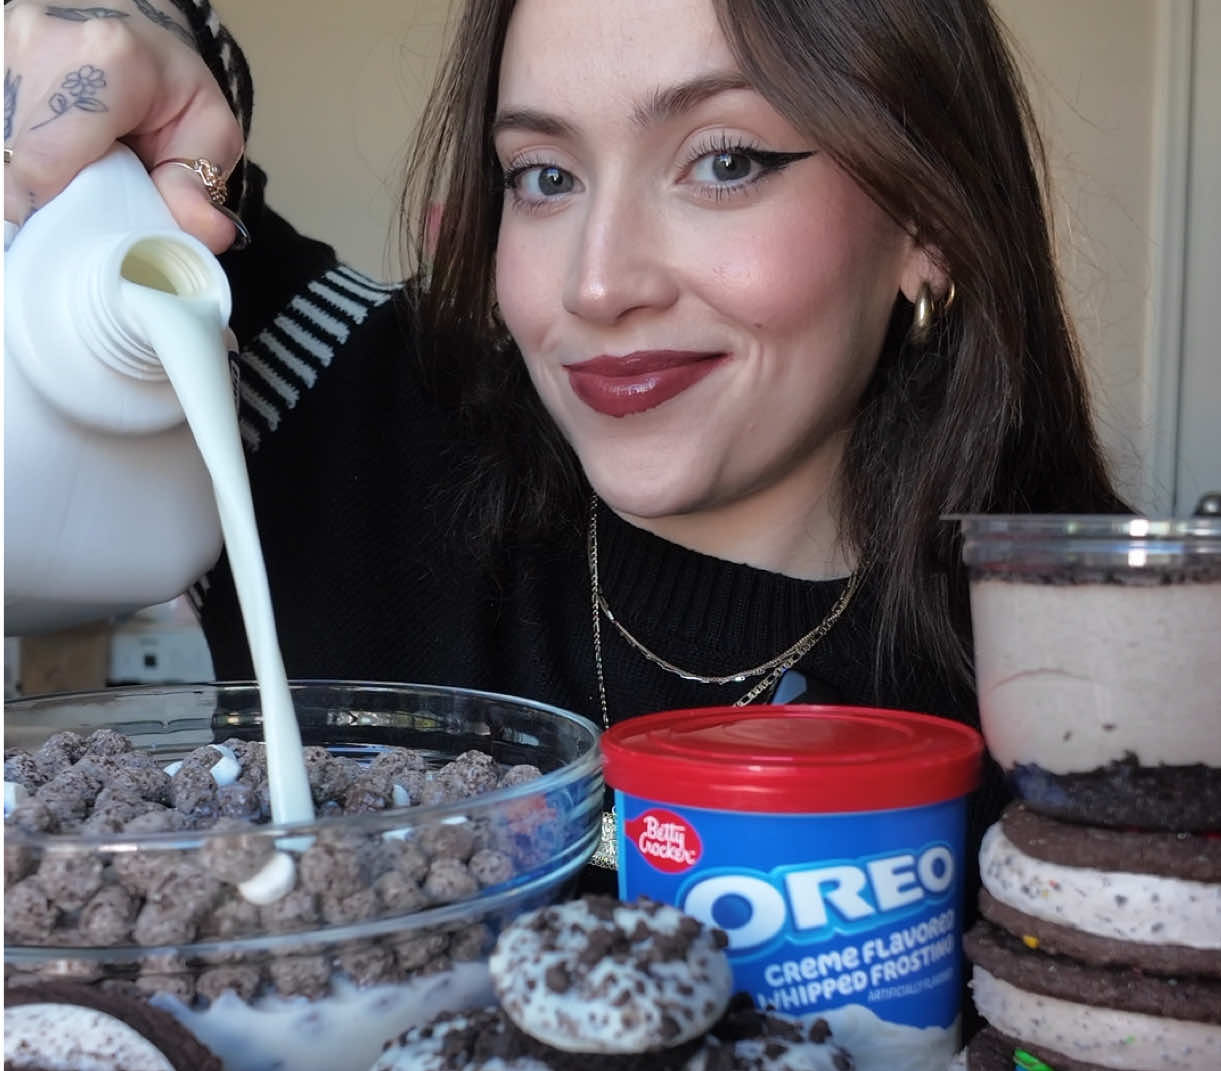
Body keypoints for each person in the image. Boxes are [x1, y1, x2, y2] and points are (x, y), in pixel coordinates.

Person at [3, 0, 1122, 747]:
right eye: (543, 176)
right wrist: (121, 35)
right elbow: (139, 128)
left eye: (723, 162)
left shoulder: (1104, 674)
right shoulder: (334, 408)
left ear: (925, 214)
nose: (598, 286)